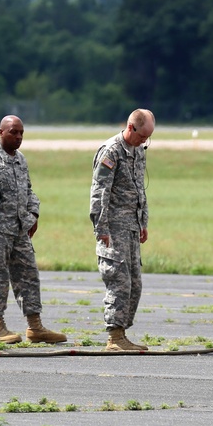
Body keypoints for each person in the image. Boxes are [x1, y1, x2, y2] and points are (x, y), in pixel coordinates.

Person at [0, 115, 66, 344]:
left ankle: (35, 327)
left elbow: (27, 190)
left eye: (21, 133)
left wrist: (33, 213)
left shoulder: (20, 160)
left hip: (18, 229)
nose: (18, 137)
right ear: (1, 132)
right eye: (13, 132)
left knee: (28, 276)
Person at [89, 108, 154, 352]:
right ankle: (114, 336)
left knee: (135, 284)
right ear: (130, 128)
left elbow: (140, 189)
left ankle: (122, 334)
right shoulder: (111, 152)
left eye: (149, 138)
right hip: (113, 228)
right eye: (142, 136)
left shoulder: (138, 151)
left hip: (131, 228)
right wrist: (101, 228)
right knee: (119, 282)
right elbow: (99, 192)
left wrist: (143, 222)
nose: (144, 142)